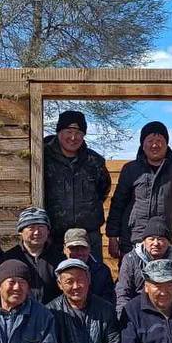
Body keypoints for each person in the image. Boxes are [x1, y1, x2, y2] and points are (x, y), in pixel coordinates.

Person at [106, 120, 172, 261]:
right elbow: (118, 204)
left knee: (164, 282)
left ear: (166, 143)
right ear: (142, 145)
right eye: (150, 140)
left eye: (159, 140)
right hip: (132, 240)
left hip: (163, 242)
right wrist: (112, 236)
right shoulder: (130, 169)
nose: (155, 145)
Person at [43, 110, 112, 258]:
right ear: (59, 132)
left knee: (93, 277)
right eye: (69, 131)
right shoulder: (43, 156)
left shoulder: (95, 161)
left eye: (79, 133)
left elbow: (103, 189)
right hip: (53, 237)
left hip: (89, 237)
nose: (73, 138)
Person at [115, 216, 172, 318]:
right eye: (151, 239)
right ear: (144, 241)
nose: (156, 243)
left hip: (167, 312)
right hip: (137, 312)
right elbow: (123, 292)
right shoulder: (130, 260)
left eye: (160, 239)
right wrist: (123, 317)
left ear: (168, 242)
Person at [2, 207, 61, 303]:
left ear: (48, 231)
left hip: (52, 314)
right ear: (21, 231)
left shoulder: (58, 258)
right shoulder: (9, 258)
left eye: (41, 227)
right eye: (31, 228)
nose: (37, 232)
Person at [62, 228, 114, 304]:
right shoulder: (54, 269)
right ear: (64, 249)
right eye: (74, 248)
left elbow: (108, 300)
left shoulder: (102, 271)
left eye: (83, 248)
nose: (79, 253)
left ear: (89, 248)